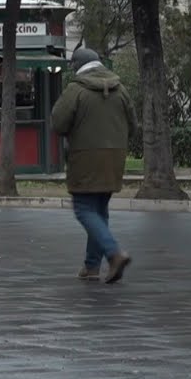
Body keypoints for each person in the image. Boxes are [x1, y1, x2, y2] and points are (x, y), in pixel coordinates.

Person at [52, 47, 136, 284]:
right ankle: (91, 266)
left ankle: (114, 253)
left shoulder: (76, 89)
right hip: (114, 157)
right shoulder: (121, 90)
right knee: (99, 210)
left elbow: (58, 123)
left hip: (85, 157)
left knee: (84, 208)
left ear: (77, 66)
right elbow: (134, 126)